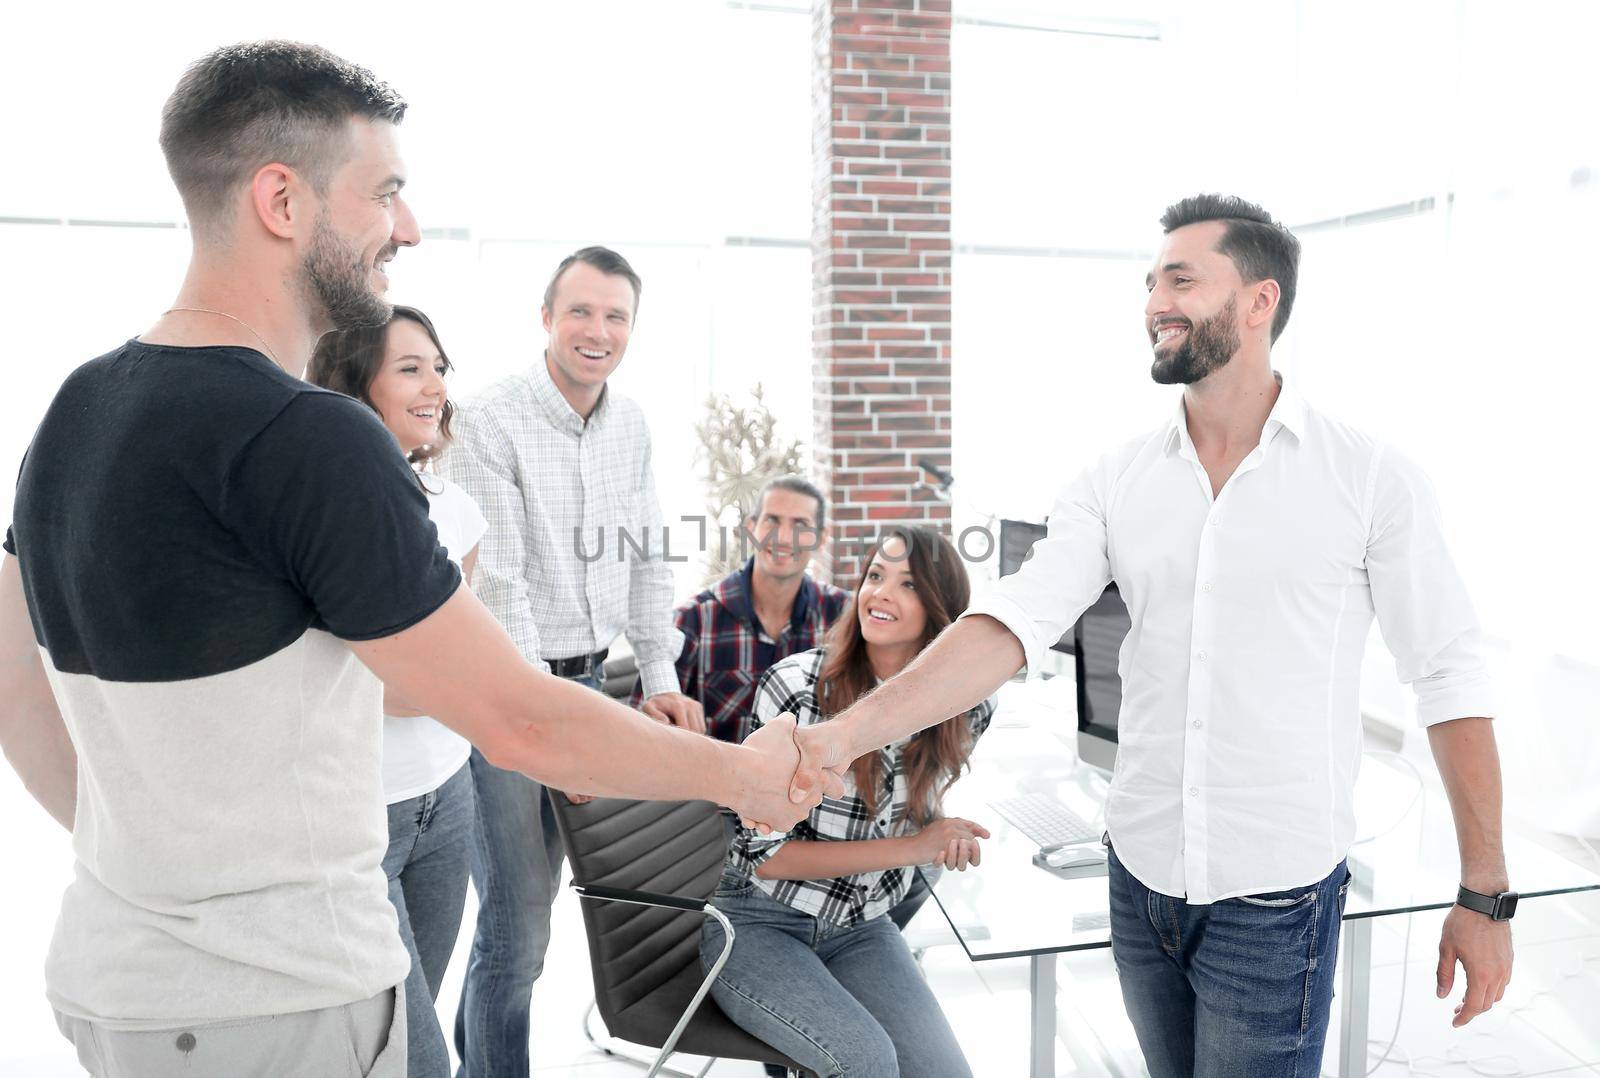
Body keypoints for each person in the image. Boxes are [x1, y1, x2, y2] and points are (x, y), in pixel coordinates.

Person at [0, 41, 821, 1078]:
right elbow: (521, 721)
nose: (408, 227)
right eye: (383, 193)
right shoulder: (310, 435)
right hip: (285, 1007)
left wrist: (160, 873)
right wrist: (743, 774)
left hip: (114, 985)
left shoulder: (74, 407)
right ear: (281, 201)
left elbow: (13, 677)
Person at [787, 194, 1514, 1076]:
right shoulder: (1116, 476)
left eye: (1181, 278)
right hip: (1139, 880)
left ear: (1260, 301)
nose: (1154, 302)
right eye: (1148, 283)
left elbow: (1448, 675)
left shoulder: (1369, 479)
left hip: (1273, 899)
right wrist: (837, 736)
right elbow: (1016, 620)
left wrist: (1485, 894)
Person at [441, 244, 710, 1077]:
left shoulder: (628, 422)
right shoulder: (488, 420)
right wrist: (556, 733)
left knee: (541, 918)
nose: (598, 331)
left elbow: (646, 556)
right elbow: (503, 589)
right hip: (510, 693)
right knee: (516, 930)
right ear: (547, 318)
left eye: (616, 316)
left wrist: (660, 681)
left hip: (593, 680)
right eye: (582, 311)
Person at [703, 527, 992, 1078]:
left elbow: (924, 806)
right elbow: (769, 857)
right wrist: (914, 848)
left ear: (939, 613)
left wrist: (941, 835)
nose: (879, 593)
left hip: (862, 926)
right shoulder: (794, 689)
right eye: (875, 576)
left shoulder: (969, 704)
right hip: (761, 922)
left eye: (906, 585)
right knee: (865, 1061)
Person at [308, 305, 482, 1077]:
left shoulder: (459, 510)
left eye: (439, 367)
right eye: (410, 368)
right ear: (357, 383)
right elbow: (350, 676)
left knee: (397, 1046)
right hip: (359, 814)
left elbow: (444, 668)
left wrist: (438, 682)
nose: (434, 386)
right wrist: (442, 680)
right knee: (419, 1059)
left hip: (448, 796)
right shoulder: (320, 504)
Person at [640, 474, 848, 745]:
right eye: (772, 520)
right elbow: (643, 725)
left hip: (813, 786)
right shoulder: (694, 619)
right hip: (714, 784)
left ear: (821, 539)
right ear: (751, 527)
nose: (784, 537)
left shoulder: (844, 616)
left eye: (801, 525)